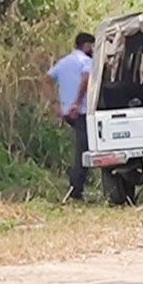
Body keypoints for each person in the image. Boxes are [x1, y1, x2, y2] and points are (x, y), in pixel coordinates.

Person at [47, 32, 95, 201]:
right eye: (92, 45)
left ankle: (77, 183)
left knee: (83, 146)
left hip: (68, 113)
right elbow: (86, 79)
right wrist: (77, 102)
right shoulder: (86, 61)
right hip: (80, 111)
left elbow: (47, 79)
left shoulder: (64, 62)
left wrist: (55, 104)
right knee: (83, 149)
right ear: (87, 45)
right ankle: (76, 189)